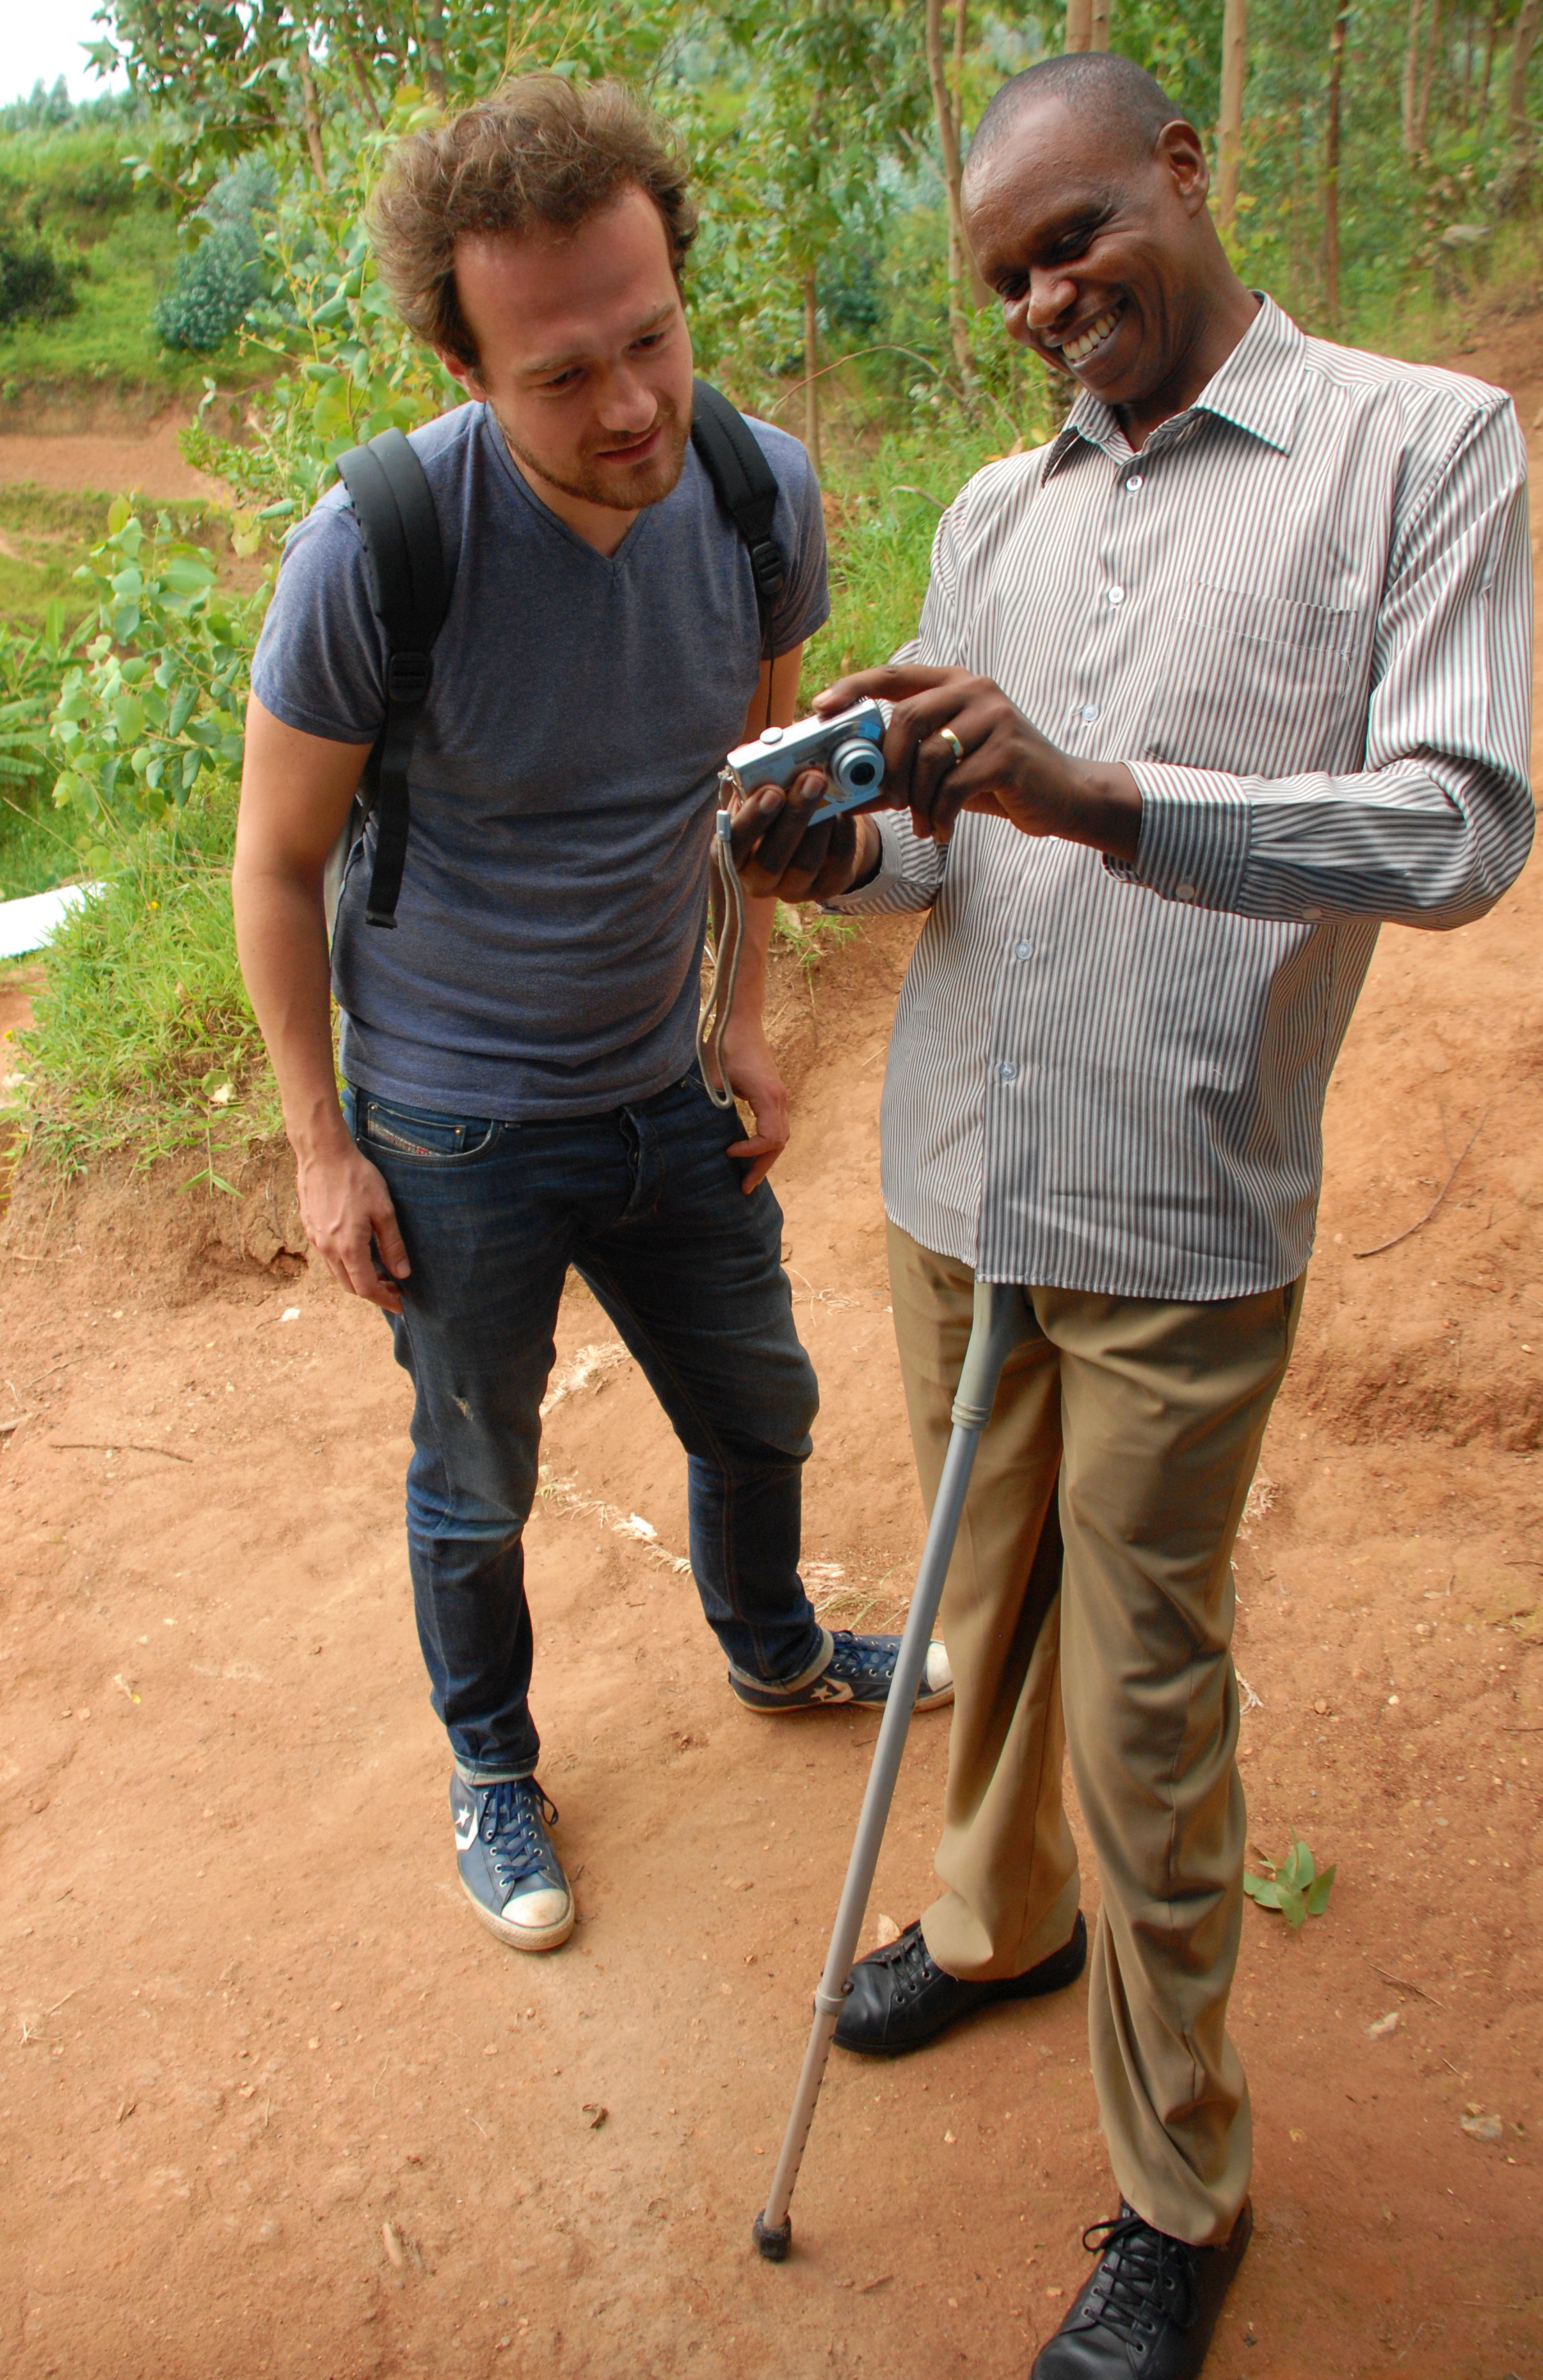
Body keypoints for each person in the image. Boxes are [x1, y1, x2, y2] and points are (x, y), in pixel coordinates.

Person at [732, 51, 1531, 2380]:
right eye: (1004, 278)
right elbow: (938, 852)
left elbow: (1459, 827)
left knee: (1144, 1694)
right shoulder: (992, 507)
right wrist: (842, 849)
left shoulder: (1418, 444)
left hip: (1182, 1206)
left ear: (1183, 171)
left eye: (1071, 238)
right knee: (984, 1603)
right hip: (954, 1179)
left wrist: (1107, 795)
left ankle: (1179, 2191)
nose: (1041, 299)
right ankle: (994, 1927)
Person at [231, 77, 951, 1964]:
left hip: (660, 1086)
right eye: (560, 374)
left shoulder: (751, 488)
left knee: (762, 1411)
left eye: (652, 337)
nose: (630, 403)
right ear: (461, 364)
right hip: (456, 1127)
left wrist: (742, 1014)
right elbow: (274, 863)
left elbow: (751, 784)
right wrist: (325, 1148)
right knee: (473, 1480)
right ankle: (491, 1769)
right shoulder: (377, 550)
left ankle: (776, 1647)